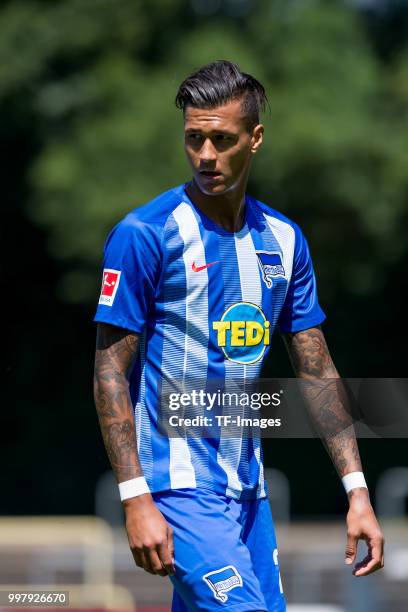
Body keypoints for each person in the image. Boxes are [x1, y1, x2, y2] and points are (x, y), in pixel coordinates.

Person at [93, 60, 384, 612]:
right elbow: (109, 370)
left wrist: (358, 492)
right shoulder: (144, 235)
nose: (205, 155)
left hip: (248, 490)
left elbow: (317, 370)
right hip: (175, 485)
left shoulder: (284, 241)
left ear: (255, 139)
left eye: (221, 139)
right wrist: (135, 497)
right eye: (194, 138)